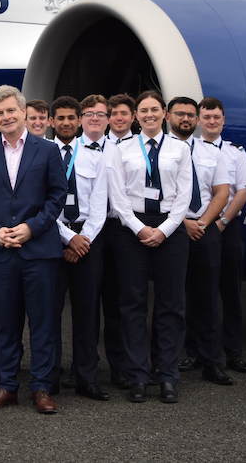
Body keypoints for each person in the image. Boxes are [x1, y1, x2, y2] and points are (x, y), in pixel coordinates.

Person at [0, 85, 66, 415]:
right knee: (4, 323)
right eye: (0, 113)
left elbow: (57, 197)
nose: (6, 117)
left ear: (23, 112)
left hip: (39, 251)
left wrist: (30, 228)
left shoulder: (48, 150)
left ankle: (42, 387)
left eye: (11, 110)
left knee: (43, 323)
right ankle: (7, 386)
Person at [106, 90, 192, 404]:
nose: (149, 115)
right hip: (132, 229)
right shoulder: (121, 149)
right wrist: (141, 229)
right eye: (143, 111)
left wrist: (164, 230)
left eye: (155, 110)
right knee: (132, 305)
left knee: (171, 305)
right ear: (136, 116)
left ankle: (167, 375)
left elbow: (184, 196)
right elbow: (117, 197)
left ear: (165, 114)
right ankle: (138, 375)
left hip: (170, 228)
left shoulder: (180, 149)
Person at [166, 96, 233, 386]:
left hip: (205, 229)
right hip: (173, 229)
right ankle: (173, 360)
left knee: (207, 298)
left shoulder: (211, 152)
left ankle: (212, 362)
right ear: (168, 116)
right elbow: (159, 196)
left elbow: (222, 192)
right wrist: (183, 222)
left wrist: (203, 223)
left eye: (190, 115)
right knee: (173, 298)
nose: (185, 119)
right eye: (180, 114)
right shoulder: (161, 152)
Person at [51, 94, 110, 401]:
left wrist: (82, 239)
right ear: (51, 122)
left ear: (79, 121)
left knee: (87, 313)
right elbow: (43, 204)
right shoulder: (44, 155)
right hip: (53, 242)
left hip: (88, 241)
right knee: (50, 313)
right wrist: (66, 238)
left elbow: (100, 204)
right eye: (59, 118)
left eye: (71, 118)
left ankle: (87, 377)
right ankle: (50, 379)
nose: (65, 123)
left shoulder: (95, 156)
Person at [197, 97, 246, 374]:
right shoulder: (189, 149)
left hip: (226, 226)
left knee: (230, 290)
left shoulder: (235, 152)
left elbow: (243, 190)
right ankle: (195, 350)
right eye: (206, 117)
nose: (211, 122)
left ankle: (233, 351)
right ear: (199, 120)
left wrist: (222, 220)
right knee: (197, 290)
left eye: (216, 117)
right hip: (198, 225)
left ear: (223, 121)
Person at [99, 93, 135, 387]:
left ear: (132, 116)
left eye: (125, 113)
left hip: (123, 228)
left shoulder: (138, 148)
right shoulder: (96, 145)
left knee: (120, 300)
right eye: (115, 114)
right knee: (88, 301)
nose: (119, 118)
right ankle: (85, 367)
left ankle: (122, 366)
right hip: (92, 230)